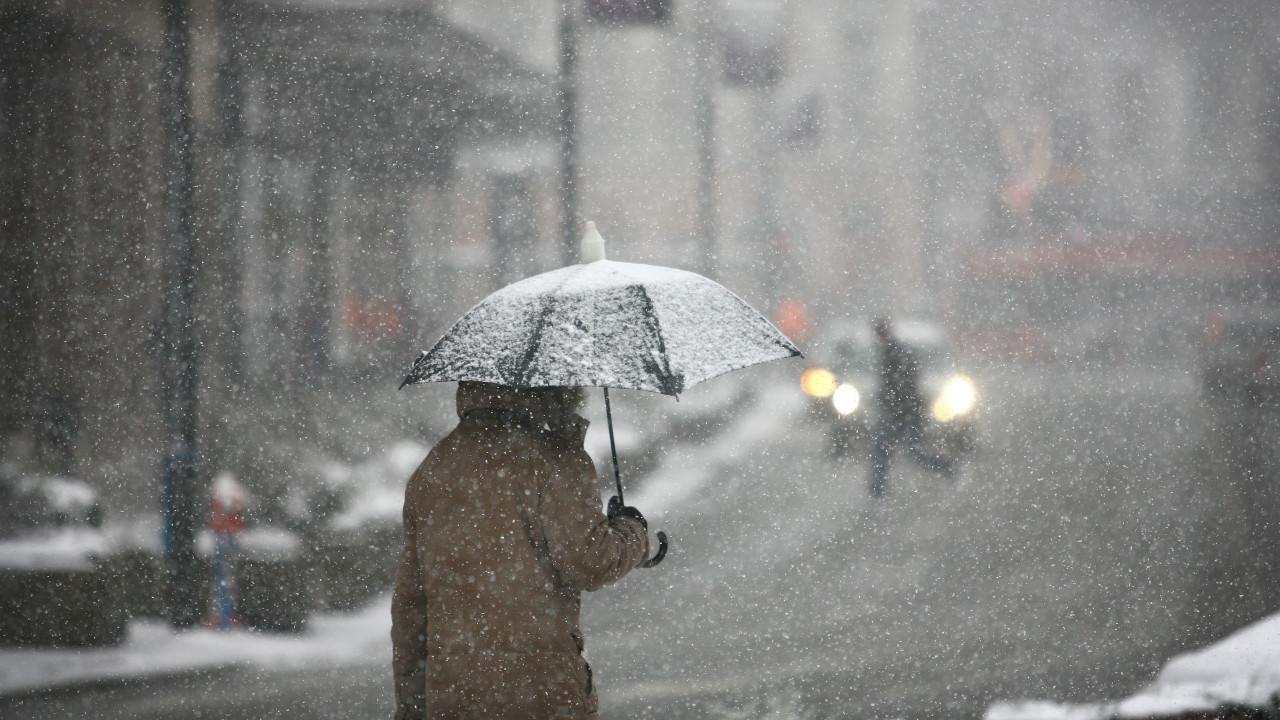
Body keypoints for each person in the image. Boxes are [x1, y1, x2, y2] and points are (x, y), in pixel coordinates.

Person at [392, 381, 650, 720]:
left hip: (453, 694)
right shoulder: (556, 459)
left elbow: (411, 608)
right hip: (541, 690)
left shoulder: (433, 469)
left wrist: (411, 707)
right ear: (555, 386)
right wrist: (633, 532)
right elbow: (590, 563)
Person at [867, 317, 956, 498]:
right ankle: (876, 492)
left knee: (910, 452)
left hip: (905, 413)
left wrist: (895, 401)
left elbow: (904, 384)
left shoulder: (896, 353)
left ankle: (949, 468)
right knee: (886, 451)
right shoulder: (890, 352)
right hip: (900, 412)